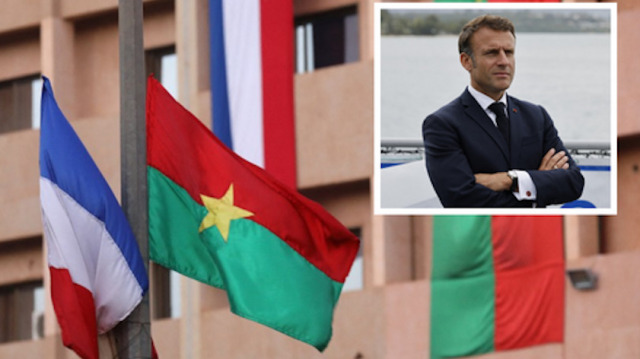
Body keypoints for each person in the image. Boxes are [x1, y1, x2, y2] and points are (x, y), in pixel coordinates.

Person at [422, 15, 584, 208]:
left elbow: (574, 182)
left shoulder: (536, 116)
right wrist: (536, 185)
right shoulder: (442, 124)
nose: (503, 61)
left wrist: (511, 180)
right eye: (492, 53)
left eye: (509, 52)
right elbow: (459, 199)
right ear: (466, 61)